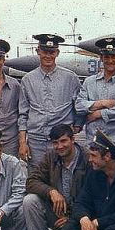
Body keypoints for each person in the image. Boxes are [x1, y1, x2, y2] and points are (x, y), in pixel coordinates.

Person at [23, 124, 91, 230]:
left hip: (81, 218)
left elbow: (94, 199)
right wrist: (51, 192)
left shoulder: (87, 160)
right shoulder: (51, 156)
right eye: (55, 143)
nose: (59, 146)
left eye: (63, 141)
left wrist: (72, 219)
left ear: (73, 139)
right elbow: (31, 181)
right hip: (58, 213)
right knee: (30, 201)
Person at [18, 34, 83, 170]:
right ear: (38, 51)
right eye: (45, 52)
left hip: (61, 143)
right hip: (36, 142)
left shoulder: (71, 78)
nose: (48, 56)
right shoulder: (27, 80)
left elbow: (80, 107)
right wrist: (23, 142)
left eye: (51, 52)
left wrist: (76, 127)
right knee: (36, 179)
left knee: (63, 179)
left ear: (57, 53)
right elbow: (23, 114)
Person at [75, 37, 115, 156]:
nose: (110, 60)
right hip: (93, 144)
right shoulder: (89, 82)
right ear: (101, 57)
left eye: (114, 56)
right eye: (106, 57)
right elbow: (79, 106)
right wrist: (103, 103)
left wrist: (98, 113)